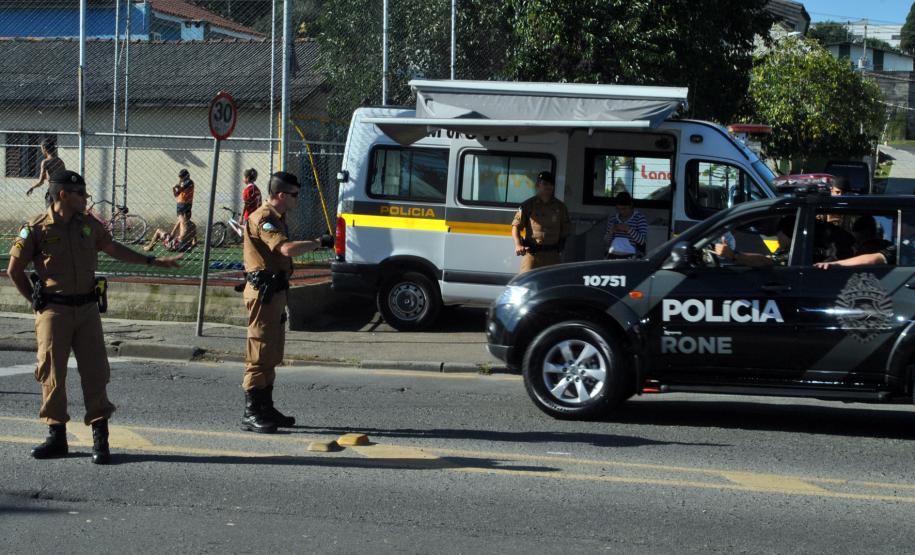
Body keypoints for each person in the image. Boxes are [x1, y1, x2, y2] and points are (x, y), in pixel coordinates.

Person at [6, 171, 181, 464]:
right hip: (54, 310)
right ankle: (56, 436)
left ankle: (101, 437)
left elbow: (113, 248)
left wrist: (152, 260)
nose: (85, 199)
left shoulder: (88, 225)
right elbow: (14, 270)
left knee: (95, 372)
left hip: (87, 310)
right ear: (63, 195)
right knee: (52, 373)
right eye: (80, 194)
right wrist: (36, 302)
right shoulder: (35, 228)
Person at [240, 171, 332, 433]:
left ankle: (266, 407)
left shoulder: (277, 217)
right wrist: (317, 242)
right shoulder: (264, 218)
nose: (297, 199)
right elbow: (286, 249)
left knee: (271, 351)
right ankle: (252, 412)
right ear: (281, 195)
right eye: (294, 195)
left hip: (275, 291)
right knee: (258, 352)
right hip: (264, 292)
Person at [511, 171, 570, 273]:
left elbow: (565, 230)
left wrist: (560, 247)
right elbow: (515, 227)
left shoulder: (560, 207)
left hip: (552, 256)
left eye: (551, 184)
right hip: (532, 255)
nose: (548, 187)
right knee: (526, 284)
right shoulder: (528, 205)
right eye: (545, 184)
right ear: (538, 185)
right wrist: (518, 245)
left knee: (552, 286)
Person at [815, 215, 896, 269]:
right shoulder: (886, 245)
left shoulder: (872, 247)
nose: (894, 226)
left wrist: (835, 264)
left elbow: (872, 259)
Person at [713, 216, 795, 268]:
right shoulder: (791, 251)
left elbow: (766, 261)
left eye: (778, 234)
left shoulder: (792, 253)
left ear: (786, 234)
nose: (777, 238)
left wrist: (733, 255)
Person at [604, 191, 647, 259]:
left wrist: (628, 229)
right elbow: (606, 241)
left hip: (630, 257)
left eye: (624, 209)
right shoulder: (613, 218)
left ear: (631, 205)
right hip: (612, 256)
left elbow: (642, 241)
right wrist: (611, 231)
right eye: (618, 209)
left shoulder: (639, 218)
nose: (621, 212)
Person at [25, 138, 66, 205]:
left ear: (44, 148)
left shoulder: (45, 162)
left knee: (50, 212)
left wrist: (32, 187)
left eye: (41, 148)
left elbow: (41, 182)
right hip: (63, 192)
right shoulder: (60, 161)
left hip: (53, 192)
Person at [171, 168, 195, 239]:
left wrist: (177, 185)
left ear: (186, 176)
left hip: (186, 204)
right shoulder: (182, 183)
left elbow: (181, 188)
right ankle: (173, 233)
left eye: (181, 177)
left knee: (183, 221)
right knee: (183, 220)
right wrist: (173, 189)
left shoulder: (189, 182)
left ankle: (180, 237)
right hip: (180, 204)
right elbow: (176, 194)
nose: (180, 179)